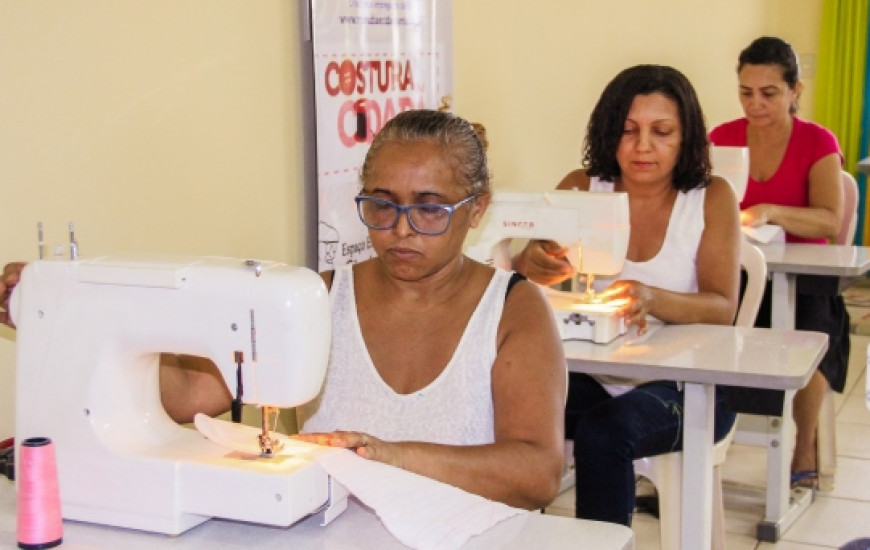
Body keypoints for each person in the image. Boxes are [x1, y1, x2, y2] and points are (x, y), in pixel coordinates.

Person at [1, 110, 567, 511]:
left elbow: (537, 474)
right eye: (380, 205)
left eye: (430, 210)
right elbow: (189, 398)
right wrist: (67, 314)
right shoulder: (319, 296)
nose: (399, 230)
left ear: (478, 211)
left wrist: (392, 458)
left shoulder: (515, 311)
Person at [514, 64, 741, 526]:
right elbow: (526, 269)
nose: (642, 146)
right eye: (628, 130)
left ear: (687, 137)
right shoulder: (581, 188)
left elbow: (722, 307)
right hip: (595, 374)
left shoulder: (711, 198)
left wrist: (652, 299)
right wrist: (530, 262)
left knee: (604, 434)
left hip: (690, 386)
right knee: (508, 406)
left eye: (661, 132)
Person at [709, 36, 848, 490]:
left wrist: (769, 211)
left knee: (813, 326)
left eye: (769, 93)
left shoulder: (817, 142)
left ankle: (802, 444)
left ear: (794, 91)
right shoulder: (722, 139)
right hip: (745, 272)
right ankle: (694, 435)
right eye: (746, 93)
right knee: (704, 322)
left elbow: (829, 217)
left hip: (804, 277)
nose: (756, 104)